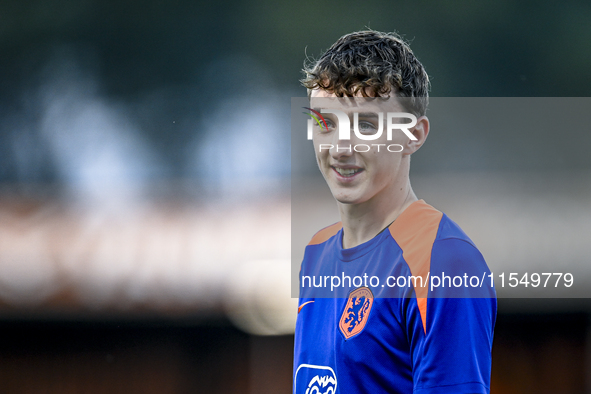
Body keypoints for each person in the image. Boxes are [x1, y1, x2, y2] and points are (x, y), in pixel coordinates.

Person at [293, 30, 496, 394]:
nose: (340, 147)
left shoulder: (445, 261)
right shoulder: (316, 252)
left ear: (414, 136)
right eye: (325, 122)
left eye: (366, 125)